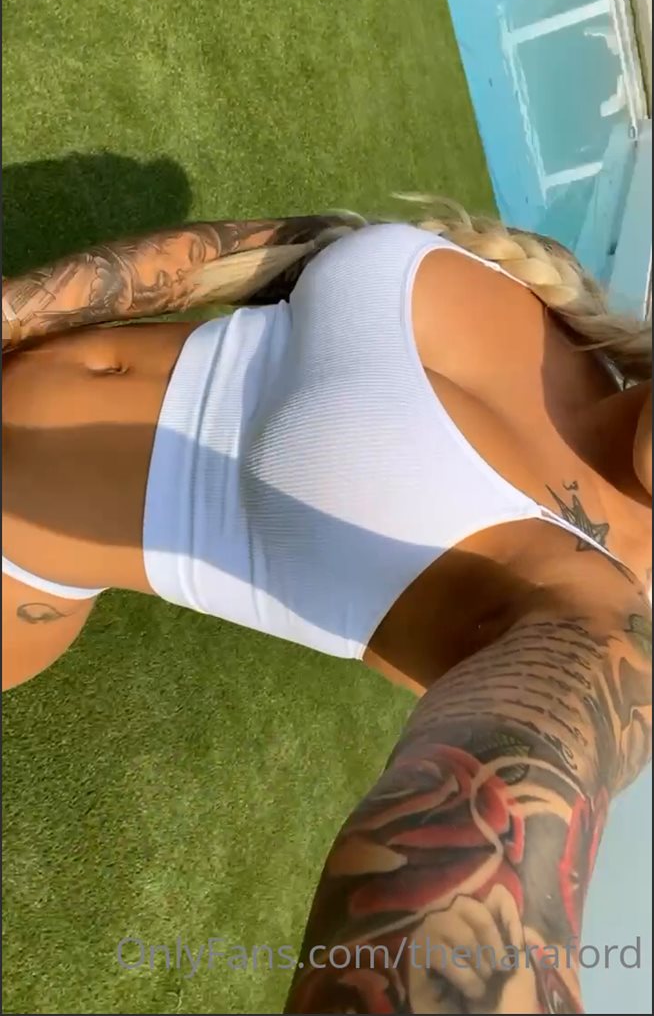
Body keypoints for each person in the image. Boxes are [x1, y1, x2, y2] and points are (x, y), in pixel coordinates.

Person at [2, 201, 651, 1013]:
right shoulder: (555, 303)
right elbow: (276, 252)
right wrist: (13, 310)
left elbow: (511, 826)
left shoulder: (602, 618)